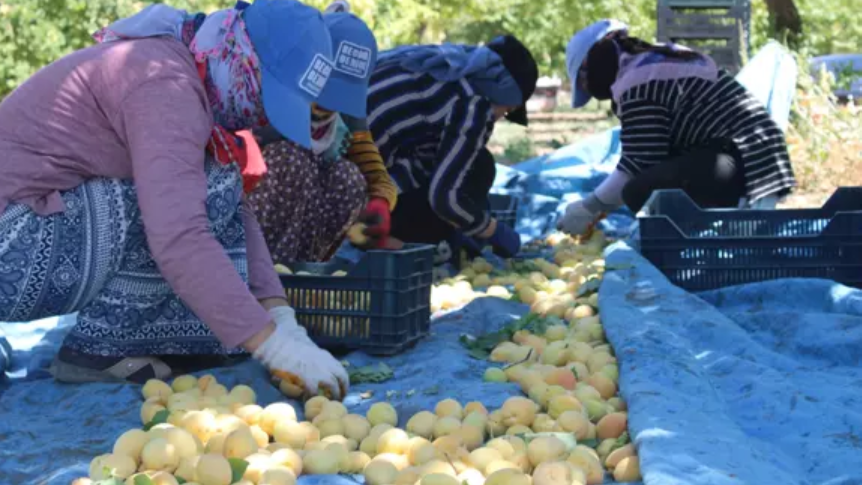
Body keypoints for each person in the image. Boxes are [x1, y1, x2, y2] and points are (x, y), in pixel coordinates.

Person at [0, 0, 350, 399]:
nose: (263, 117)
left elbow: (237, 211)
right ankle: (99, 350)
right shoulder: (164, 83)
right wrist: (272, 345)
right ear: (243, 58)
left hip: (28, 237)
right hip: (11, 244)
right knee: (198, 196)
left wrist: (281, 318)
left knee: (215, 190)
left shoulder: (189, 73)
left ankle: (120, 341)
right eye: (267, 97)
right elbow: (179, 236)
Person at [557, 19, 797, 236]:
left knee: (638, 190)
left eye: (586, 80)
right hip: (754, 157)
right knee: (649, 184)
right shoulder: (655, 59)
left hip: (743, 162)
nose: (592, 89)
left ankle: (693, 238)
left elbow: (638, 164)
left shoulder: (637, 81)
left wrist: (589, 206)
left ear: (597, 59)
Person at [366, 35, 539, 259]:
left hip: (337, 175)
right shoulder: (473, 104)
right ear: (502, 92)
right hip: (355, 194)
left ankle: (382, 235)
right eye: (506, 111)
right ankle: (399, 244)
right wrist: (492, 230)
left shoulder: (448, 72)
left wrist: (468, 220)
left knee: (460, 164)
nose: (499, 118)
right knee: (478, 167)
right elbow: (445, 199)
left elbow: (429, 156)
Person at [249, 5, 398, 263]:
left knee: (349, 178)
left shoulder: (345, 115)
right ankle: (260, 275)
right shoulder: (268, 87)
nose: (330, 104)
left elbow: (374, 171)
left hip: (302, 235)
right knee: (291, 157)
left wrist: (381, 202)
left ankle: (303, 272)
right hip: (246, 220)